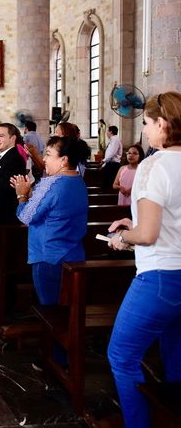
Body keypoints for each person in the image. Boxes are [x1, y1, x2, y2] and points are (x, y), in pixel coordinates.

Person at [106, 91, 181, 428]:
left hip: (161, 277)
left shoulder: (154, 165)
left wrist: (123, 236)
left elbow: (148, 235)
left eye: (148, 124)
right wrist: (134, 224)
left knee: (121, 356)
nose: (146, 131)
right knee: (176, 358)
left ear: (163, 124)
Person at [11, 136, 89, 364]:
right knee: (66, 310)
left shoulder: (53, 185)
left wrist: (22, 194)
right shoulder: (78, 180)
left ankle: (58, 361)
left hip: (49, 256)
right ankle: (65, 356)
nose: (44, 159)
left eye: (48, 154)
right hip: (73, 253)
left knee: (51, 311)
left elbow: (25, 216)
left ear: (64, 160)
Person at [102, 125, 123, 190]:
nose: (106, 133)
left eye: (107, 131)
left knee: (109, 184)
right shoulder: (113, 139)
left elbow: (112, 152)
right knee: (106, 183)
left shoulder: (115, 140)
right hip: (111, 164)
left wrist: (103, 161)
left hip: (113, 165)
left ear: (110, 132)